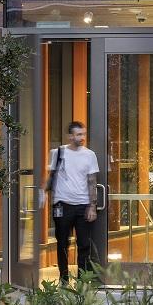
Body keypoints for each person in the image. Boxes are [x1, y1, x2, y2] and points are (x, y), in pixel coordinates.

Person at [43, 121, 100, 282]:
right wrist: (42, 191)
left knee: (83, 244)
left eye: (83, 134)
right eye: (78, 134)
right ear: (70, 136)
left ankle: (83, 280)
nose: (82, 137)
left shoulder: (89, 155)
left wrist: (92, 206)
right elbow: (51, 176)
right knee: (62, 243)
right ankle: (64, 278)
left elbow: (92, 181)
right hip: (62, 204)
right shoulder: (58, 153)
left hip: (82, 205)